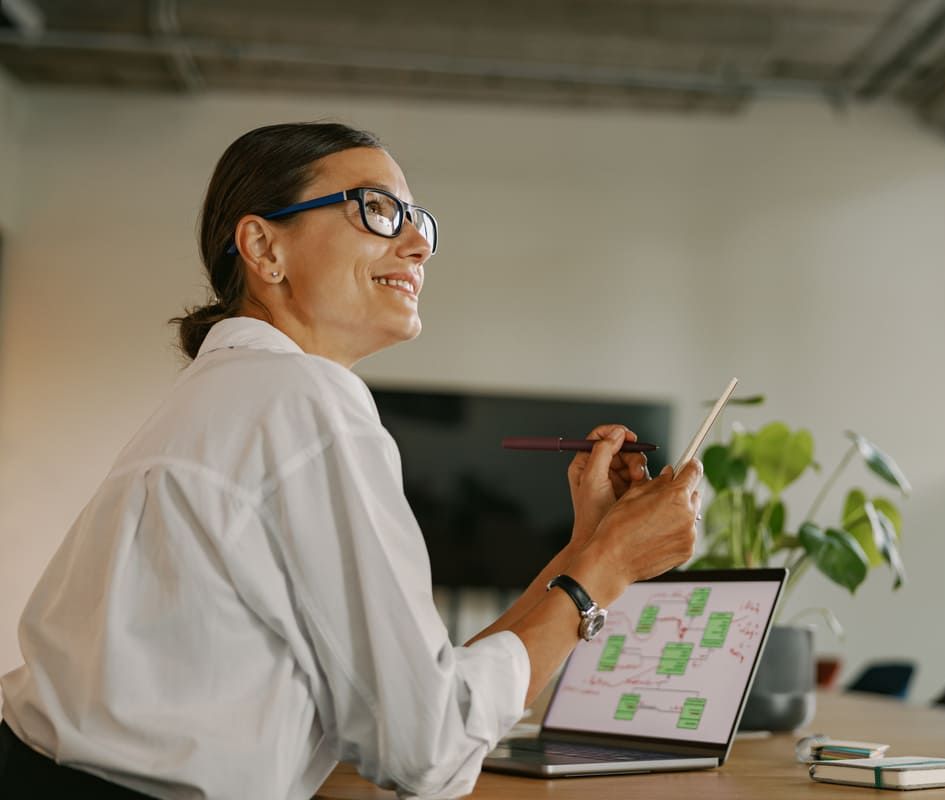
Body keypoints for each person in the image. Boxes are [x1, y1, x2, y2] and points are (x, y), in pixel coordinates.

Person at [0, 122, 703, 799]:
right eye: (377, 209)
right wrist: (606, 568)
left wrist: (582, 551)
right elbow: (424, 750)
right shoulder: (301, 400)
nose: (417, 246)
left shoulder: (234, 394)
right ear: (263, 247)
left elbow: (421, 696)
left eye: (417, 221)